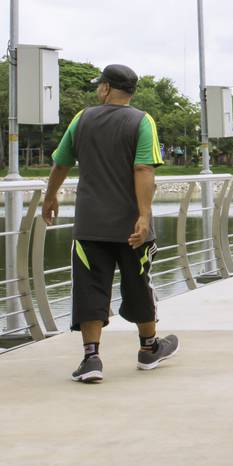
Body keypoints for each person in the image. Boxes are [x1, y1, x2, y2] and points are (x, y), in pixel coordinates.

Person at [42, 63, 179, 383]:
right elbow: (144, 169)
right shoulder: (143, 121)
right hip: (131, 225)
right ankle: (148, 349)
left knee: (89, 287)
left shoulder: (82, 119)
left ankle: (91, 359)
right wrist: (144, 215)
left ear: (105, 88)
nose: (97, 90)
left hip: (90, 223)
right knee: (138, 282)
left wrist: (50, 197)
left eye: (98, 85)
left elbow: (61, 163)